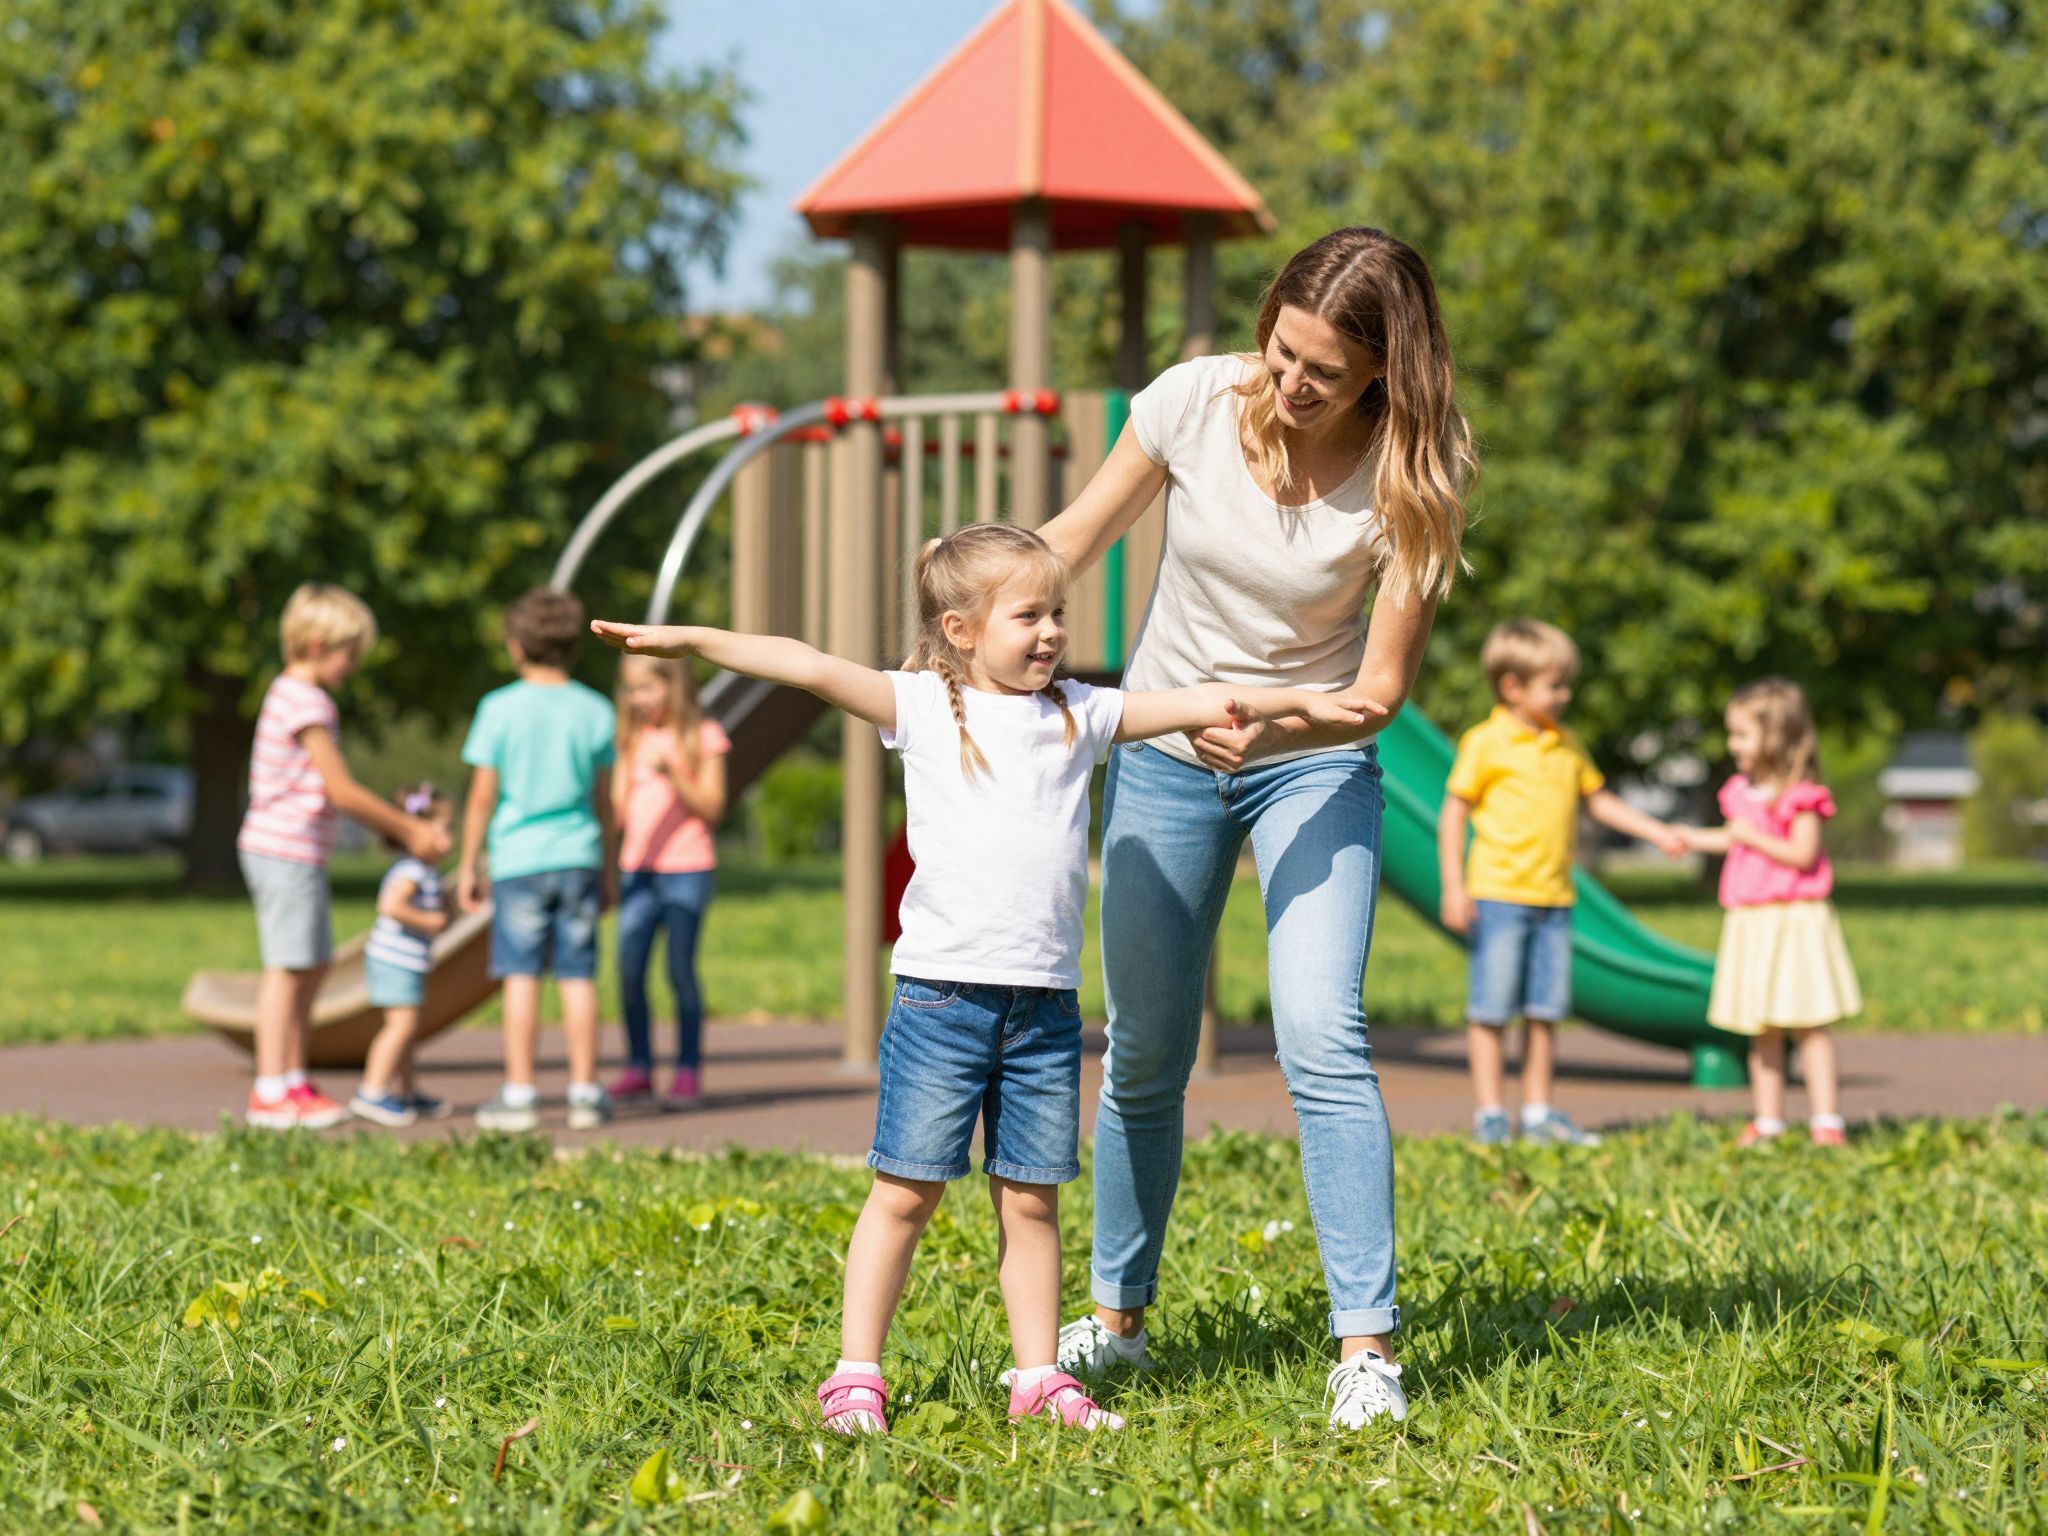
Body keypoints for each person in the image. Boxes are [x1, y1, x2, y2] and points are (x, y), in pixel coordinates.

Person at [591, 522, 1380, 1437]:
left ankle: (1038, 1375)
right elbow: (802, 664)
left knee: (1031, 1200)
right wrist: (692, 642)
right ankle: (855, 1374)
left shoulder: (1081, 712)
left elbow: (1211, 698)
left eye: (1059, 613)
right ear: (961, 630)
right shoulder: (918, 704)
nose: (1051, 632)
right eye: (1029, 615)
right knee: (904, 1192)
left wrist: (1320, 706)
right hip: (940, 1003)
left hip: (1043, 1011)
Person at [1033, 226, 1471, 1430]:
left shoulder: (1409, 479)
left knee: (1320, 1035)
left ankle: (1367, 1352)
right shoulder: (1189, 402)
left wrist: (1270, 731)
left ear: (1382, 372)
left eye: (1322, 373)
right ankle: (1115, 1322)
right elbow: (1071, 542)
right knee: (1142, 1051)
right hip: (1168, 752)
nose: (1288, 384)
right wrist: (976, 600)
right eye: (1281, 350)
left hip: (1311, 764)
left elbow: (1377, 693)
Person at [1438, 620, 1688, 1146]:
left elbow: (1598, 800)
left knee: (1545, 1013)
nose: (1565, 694)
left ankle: (1537, 1113)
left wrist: (1655, 831)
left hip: (1555, 900)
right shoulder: (1484, 743)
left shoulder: (1567, 744)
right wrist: (1453, 887)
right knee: (1490, 1012)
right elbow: (1452, 816)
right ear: (1512, 687)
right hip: (1499, 896)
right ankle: (1489, 1115)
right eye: (1554, 685)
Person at [237, 583, 450, 1130]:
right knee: (287, 969)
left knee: (311, 965)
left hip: (298, 851)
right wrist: (409, 829)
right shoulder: (304, 701)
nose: (352, 666)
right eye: (348, 654)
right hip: (281, 849)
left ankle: (292, 1078)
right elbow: (342, 789)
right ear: (315, 643)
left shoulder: (294, 694)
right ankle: (269, 1090)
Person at [457, 588, 618, 1133]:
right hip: (578, 856)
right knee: (578, 975)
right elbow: (604, 800)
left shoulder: (498, 708)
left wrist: (468, 863)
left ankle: (521, 1093)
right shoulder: (595, 709)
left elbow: (482, 796)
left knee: (520, 975)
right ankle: (584, 1091)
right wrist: (610, 868)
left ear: (515, 647)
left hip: (517, 860)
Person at [1673, 678, 1859, 1146]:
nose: (1732, 744)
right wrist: (1691, 839)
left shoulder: (1801, 795)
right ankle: (1768, 1119)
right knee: (1763, 1028)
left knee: (1808, 1025)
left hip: (1794, 920)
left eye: (1741, 734)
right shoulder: (1739, 792)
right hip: (1752, 922)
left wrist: (1750, 836)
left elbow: (1801, 853)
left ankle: (1826, 1122)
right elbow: (1731, 837)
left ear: (1774, 737)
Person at [608, 654, 728, 1111]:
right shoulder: (630, 739)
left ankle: (686, 1070)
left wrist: (672, 772)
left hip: (687, 870)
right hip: (637, 870)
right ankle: (639, 1067)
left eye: (647, 688)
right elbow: (619, 811)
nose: (638, 699)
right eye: (631, 690)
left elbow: (713, 807)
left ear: (671, 686)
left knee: (679, 970)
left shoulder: (704, 735)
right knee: (629, 969)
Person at [350, 784, 456, 1127]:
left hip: (406, 961)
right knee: (401, 1026)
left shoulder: (424, 871)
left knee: (408, 1028)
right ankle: (372, 1091)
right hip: (394, 960)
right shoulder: (411, 872)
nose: (450, 839)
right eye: (443, 831)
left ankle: (407, 1090)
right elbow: (390, 906)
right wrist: (429, 920)